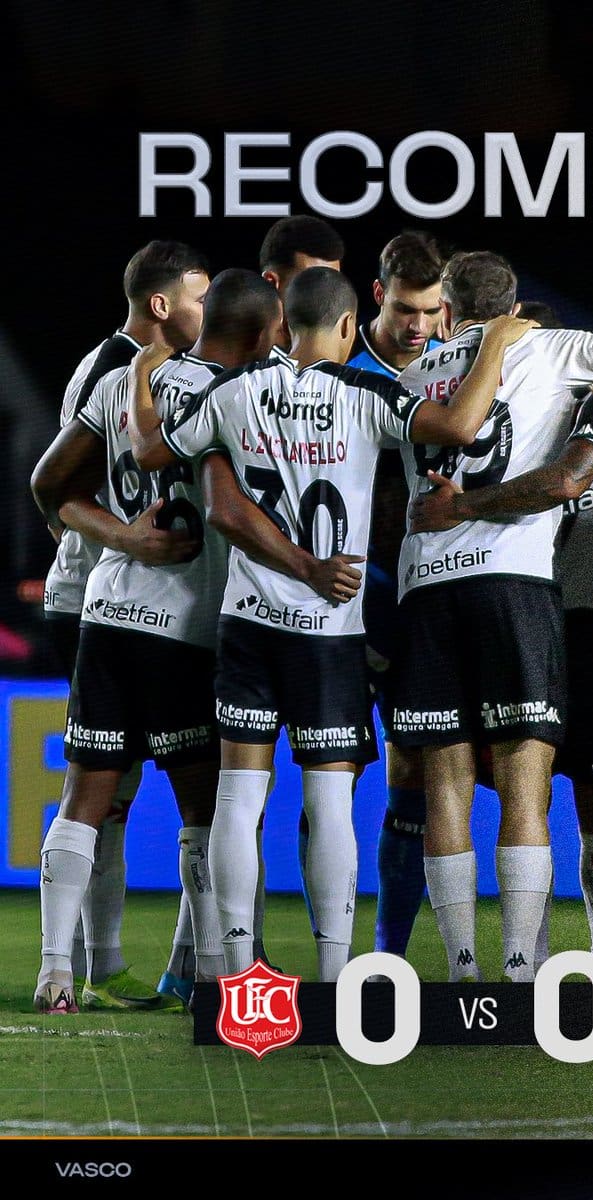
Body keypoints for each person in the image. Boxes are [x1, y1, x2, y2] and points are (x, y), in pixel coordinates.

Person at [126, 265, 534, 982]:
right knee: (329, 802)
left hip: (249, 621)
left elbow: (151, 451)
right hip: (330, 630)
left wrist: (140, 376)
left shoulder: (235, 391)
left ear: (285, 325)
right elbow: (461, 427)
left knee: (238, 799)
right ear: (350, 326)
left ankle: (234, 972)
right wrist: (497, 339)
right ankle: (333, 974)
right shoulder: (366, 394)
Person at [390, 252, 593, 983]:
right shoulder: (554, 347)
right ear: (514, 304)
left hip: (427, 584)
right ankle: (520, 970)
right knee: (524, 786)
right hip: (515, 584)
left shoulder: (411, 379)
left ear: (444, 309)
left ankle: (462, 973)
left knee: (446, 786)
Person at [29, 265, 285, 1015]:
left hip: (106, 613)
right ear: (259, 333)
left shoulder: (124, 382)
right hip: (185, 625)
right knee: (203, 810)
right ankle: (214, 978)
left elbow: (53, 483)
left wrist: (121, 538)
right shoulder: (238, 397)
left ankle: (56, 973)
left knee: (85, 796)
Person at [35, 239, 211, 1010]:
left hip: (121, 600)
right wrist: (126, 542)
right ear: (162, 305)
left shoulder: (158, 371)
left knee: (115, 788)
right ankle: (97, 964)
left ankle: (107, 965)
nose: (208, 310)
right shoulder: (111, 369)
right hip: (93, 599)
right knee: (110, 789)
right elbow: (54, 490)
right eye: (198, 296)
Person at [346, 231, 445, 961]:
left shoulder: (456, 369)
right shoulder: (342, 372)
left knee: (412, 772)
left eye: (432, 311)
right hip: (346, 601)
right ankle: (318, 955)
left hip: (423, 606)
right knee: (330, 775)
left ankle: (387, 958)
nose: (418, 326)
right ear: (378, 295)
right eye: (407, 309)